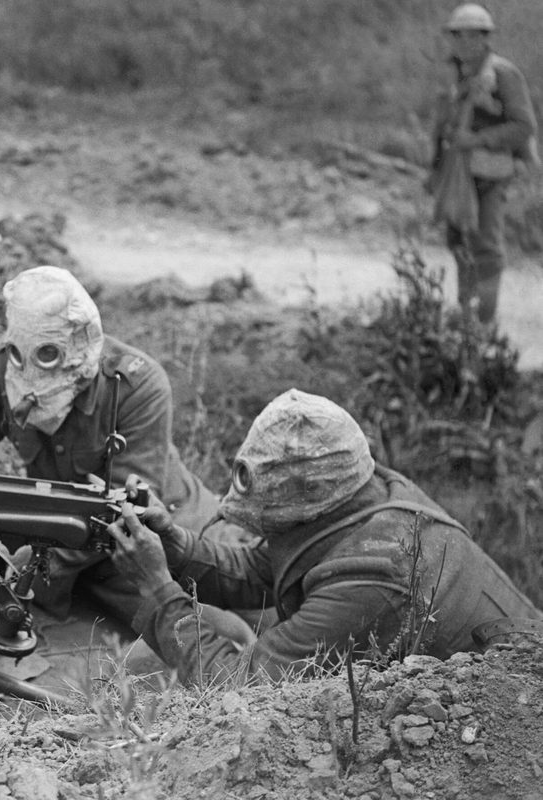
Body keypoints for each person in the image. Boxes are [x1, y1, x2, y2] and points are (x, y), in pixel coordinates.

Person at [108, 388, 543, 684]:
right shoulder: (369, 493)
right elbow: (270, 566)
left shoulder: (374, 576)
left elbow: (238, 686)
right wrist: (178, 549)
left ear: (309, 503)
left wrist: (158, 589)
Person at [0, 265, 232, 623]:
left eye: (50, 355)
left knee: (198, 631)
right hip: (59, 537)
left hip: (147, 541)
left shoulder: (138, 386)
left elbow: (128, 511)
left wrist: (38, 561)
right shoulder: (2, 368)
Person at [426, 3, 538, 324]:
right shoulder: (454, 73)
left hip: (490, 171)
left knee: (486, 245)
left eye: (472, 36)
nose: (464, 43)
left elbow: (523, 126)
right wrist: (434, 166)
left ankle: (484, 322)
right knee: (458, 240)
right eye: (458, 36)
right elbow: (441, 123)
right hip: (456, 172)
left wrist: (477, 140)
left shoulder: (502, 74)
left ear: (485, 38)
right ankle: (466, 316)